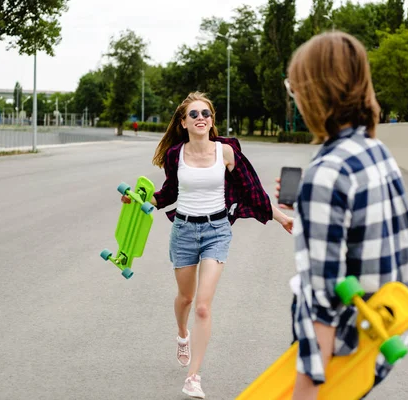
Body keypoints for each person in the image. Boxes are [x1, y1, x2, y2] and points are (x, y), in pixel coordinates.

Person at [122, 92, 293, 399]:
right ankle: (182, 335)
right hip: (184, 231)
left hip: (217, 230)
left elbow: (252, 189)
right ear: (184, 122)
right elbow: (167, 193)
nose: (201, 118)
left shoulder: (226, 153)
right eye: (194, 114)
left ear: (212, 120)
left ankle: (193, 377)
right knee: (186, 299)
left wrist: (281, 218)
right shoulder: (176, 155)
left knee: (203, 305)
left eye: (206, 114)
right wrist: (139, 199)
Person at [276, 32, 408, 399]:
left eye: (294, 89)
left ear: (313, 93)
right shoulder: (375, 150)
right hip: (383, 333)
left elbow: (322, 308)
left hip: (341, 355)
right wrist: (313, 198)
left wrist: (306, 390)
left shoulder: (327, 176)